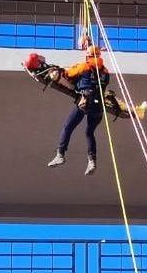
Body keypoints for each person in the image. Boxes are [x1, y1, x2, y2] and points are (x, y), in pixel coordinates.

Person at [46, 37, 110, 175]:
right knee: (89, 132)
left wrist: (57, 71)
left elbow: (67, 73)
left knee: (68, 127)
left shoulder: (84, 66)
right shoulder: (105, 72)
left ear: (87, 56)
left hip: (85, 101)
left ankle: (60, 154)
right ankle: (92, 161)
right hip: (99, 107)